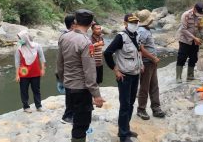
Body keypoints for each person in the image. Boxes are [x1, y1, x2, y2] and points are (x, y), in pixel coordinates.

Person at [57, 9, 105, 142]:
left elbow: (60, 64)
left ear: (76, 21)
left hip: (69, 86)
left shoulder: (64, 37)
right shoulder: (86, 42)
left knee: (74, 119)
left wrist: (62, 81)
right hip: (81, 89)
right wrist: (96, 95)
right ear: (90, 25)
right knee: (81, 124)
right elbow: (89, 72)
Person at [104, 14, 144, 142]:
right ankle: (123, 135)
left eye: (136, 22)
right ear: (125, 23)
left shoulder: (136, 35)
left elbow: (138, 52)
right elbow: (107, 53)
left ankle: (126, 128)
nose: (135, 24)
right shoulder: (120, 37)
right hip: (125, 76)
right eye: (132, 22)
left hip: (135, 74)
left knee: (131, 103)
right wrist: (116, 70)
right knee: (125, 104)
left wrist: (141, 64)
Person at [135, 9, 166, 120]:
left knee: (154, 85)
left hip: (151, 62)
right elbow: (140, 48)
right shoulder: (142, 31)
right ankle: (141, 109)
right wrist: (153, 57)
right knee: (145, 87)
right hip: (147, 62)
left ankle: (156, 108)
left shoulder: (146, 29)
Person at [15, 30, 46, 113]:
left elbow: (42, 58)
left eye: (20, 38)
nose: (19, 40)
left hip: (35, 72)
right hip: (24, 73)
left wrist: (42, 69)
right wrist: (17, 75)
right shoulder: (19, 48)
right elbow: (17, 62)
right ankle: (26, 107)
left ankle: (38, 106)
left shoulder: (37, 46)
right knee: (24, 91)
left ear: (25, 38)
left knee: (36, 90)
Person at [176, 2, 203, 83]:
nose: (199, 15)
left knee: (193, 58)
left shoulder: (201, 16)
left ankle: (190, 76)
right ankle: (178, 77)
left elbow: (201, 28)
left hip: (195, 41)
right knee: (182, 57)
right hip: (185, 40)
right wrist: (194, 38)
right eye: (198, 12)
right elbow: (183, 29)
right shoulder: (185, 15)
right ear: (194, 8)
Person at [56, 14, 76, 124]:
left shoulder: (67, 36)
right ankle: (67, 116)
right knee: (70, 95)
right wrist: (61, 75)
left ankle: (71, 114)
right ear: (73, 24)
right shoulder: (65, 37)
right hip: (67, 70)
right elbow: (61, 58)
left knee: (71, 94)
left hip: (67, 70)